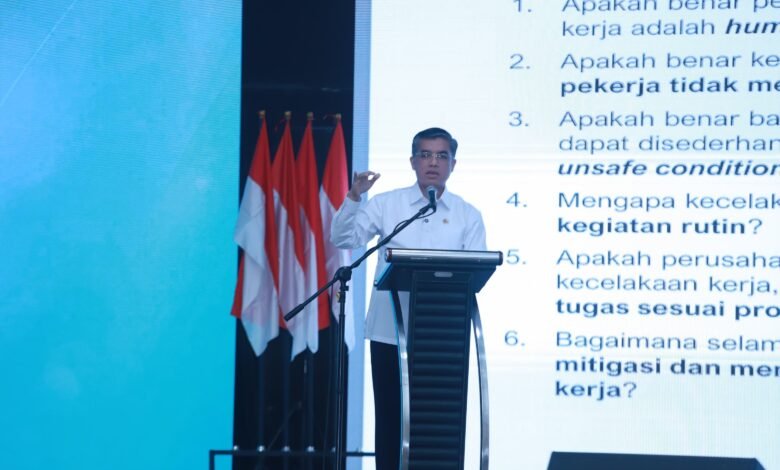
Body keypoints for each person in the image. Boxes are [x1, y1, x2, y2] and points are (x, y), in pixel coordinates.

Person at [330, 127, 486, 470]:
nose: (433, 162)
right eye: (425, 155)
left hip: (444, 338)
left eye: (441, 156)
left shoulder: (468, 215)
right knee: (391, 421)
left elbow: (476, 272)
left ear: (453, 164)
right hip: (390, 331)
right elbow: (343, 239)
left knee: (439, 424)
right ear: (413, 161)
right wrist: (354, 196)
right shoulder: (387, 205)